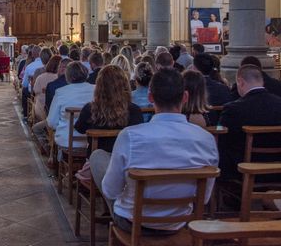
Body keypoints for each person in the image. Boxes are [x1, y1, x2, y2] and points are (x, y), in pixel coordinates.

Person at [90, 68, 218, 233]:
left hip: (133, 222)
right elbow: (205, 198)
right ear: (185, 97)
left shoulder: (130, 136)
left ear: (151, 97)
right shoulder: (206, 139)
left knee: (98, 157)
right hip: (180, 221)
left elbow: (110, 190)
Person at [218, 64, 281, 180]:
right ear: (262, 82)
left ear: (240, 82)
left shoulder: (233, 109)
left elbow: (221, 134)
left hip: (242, 168)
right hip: (280, 167)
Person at [75, 65, 143, 156]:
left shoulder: (90, 109)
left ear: (99, 86)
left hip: (97, 158)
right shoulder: (135, 111)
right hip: (125, 159)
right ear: (125, 85)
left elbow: (80, 128)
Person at [47, 62, 95, 148]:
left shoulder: (60, 92)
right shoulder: (96, 89)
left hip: (66, 141)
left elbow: (51, 122)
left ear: (68, 76)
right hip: (92, 141)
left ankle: (59, 157)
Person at [33, 55, 61, 121]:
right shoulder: (60, 79)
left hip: (41, 111)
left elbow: (35, 91)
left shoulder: (40, 77)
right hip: (56, 113)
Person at [21, 45, 43, 118]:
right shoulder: (47, 65)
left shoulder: (29, 67)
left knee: (24, 90)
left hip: (33, 92)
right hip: (46, 91)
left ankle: (26, 114)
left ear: (32, 54)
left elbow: (24, 84)